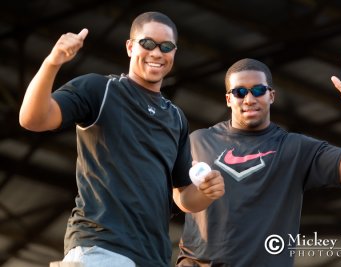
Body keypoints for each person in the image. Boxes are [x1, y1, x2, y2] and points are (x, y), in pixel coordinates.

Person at [19, 11, 224, 267]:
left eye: (166, 46)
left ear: (174, 52)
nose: (157, 53)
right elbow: (33, 119)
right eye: (147, 43)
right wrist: (52, 62)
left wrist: (206, 193)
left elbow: (183, 197)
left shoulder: (176, 118)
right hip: (101, 248)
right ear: (129, 47)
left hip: (154, 258)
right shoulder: (100, 90)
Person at [177, 47, 341, 266]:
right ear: (228, 99)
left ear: (271, 95)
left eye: (258, 90)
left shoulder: (294, 148)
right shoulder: (197, 141)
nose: (249, 99)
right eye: (239, 92)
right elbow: (174, 198)